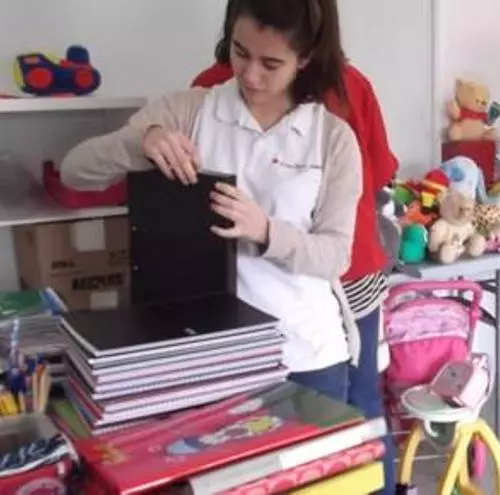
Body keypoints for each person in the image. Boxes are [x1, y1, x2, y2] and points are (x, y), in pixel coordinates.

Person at [60, 0, 363, 427]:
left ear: (305, 57)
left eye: (271, 63)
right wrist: (141, 140)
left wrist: (266, 231)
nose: (250, 75)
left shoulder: (332, 138)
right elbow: (74, 171)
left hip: (303, 354)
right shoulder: (190, 111)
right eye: (240, 52)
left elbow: (335, 255)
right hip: (202, 357)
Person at [193, 2, 398, 492]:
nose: (254, 76)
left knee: (263, 434)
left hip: (312, 276)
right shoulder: (350, 85)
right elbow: (380, 174)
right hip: (319, 275)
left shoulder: (214, 85)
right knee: (358, 413)